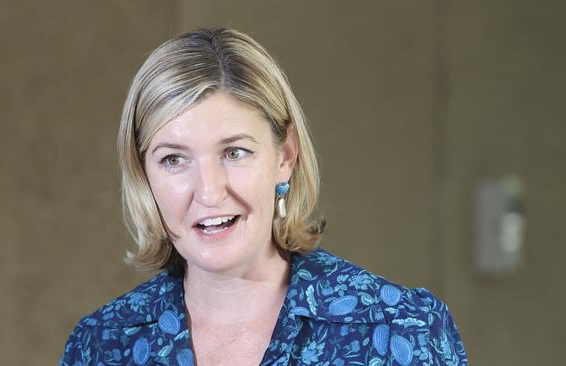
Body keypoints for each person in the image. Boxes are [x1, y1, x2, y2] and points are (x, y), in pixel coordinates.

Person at [60, 27, 467, 366]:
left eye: (234, 153)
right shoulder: (101, 346)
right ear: (144, 173)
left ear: (285, 156)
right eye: (173, 160)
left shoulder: (402, 330)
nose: (209, 190)